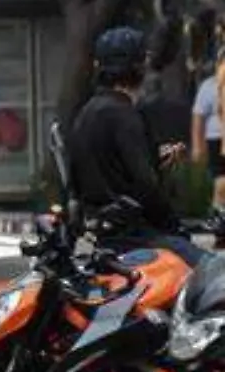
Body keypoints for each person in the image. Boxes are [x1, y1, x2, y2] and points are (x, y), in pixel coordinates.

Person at [68, 27, 203, 265]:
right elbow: (146, 186)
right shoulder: (124, 115)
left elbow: (103, 170)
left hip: (103, 237)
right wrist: (175, 227)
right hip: (136, 238)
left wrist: (155, 160)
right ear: (138, 67)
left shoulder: (86, 113)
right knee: (212, 274)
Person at [192, 55, 225, 211]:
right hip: (216, 138)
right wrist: (197, 146)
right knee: (221, 180)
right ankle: (218, 213)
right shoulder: (209, 86)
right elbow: (198, 117)